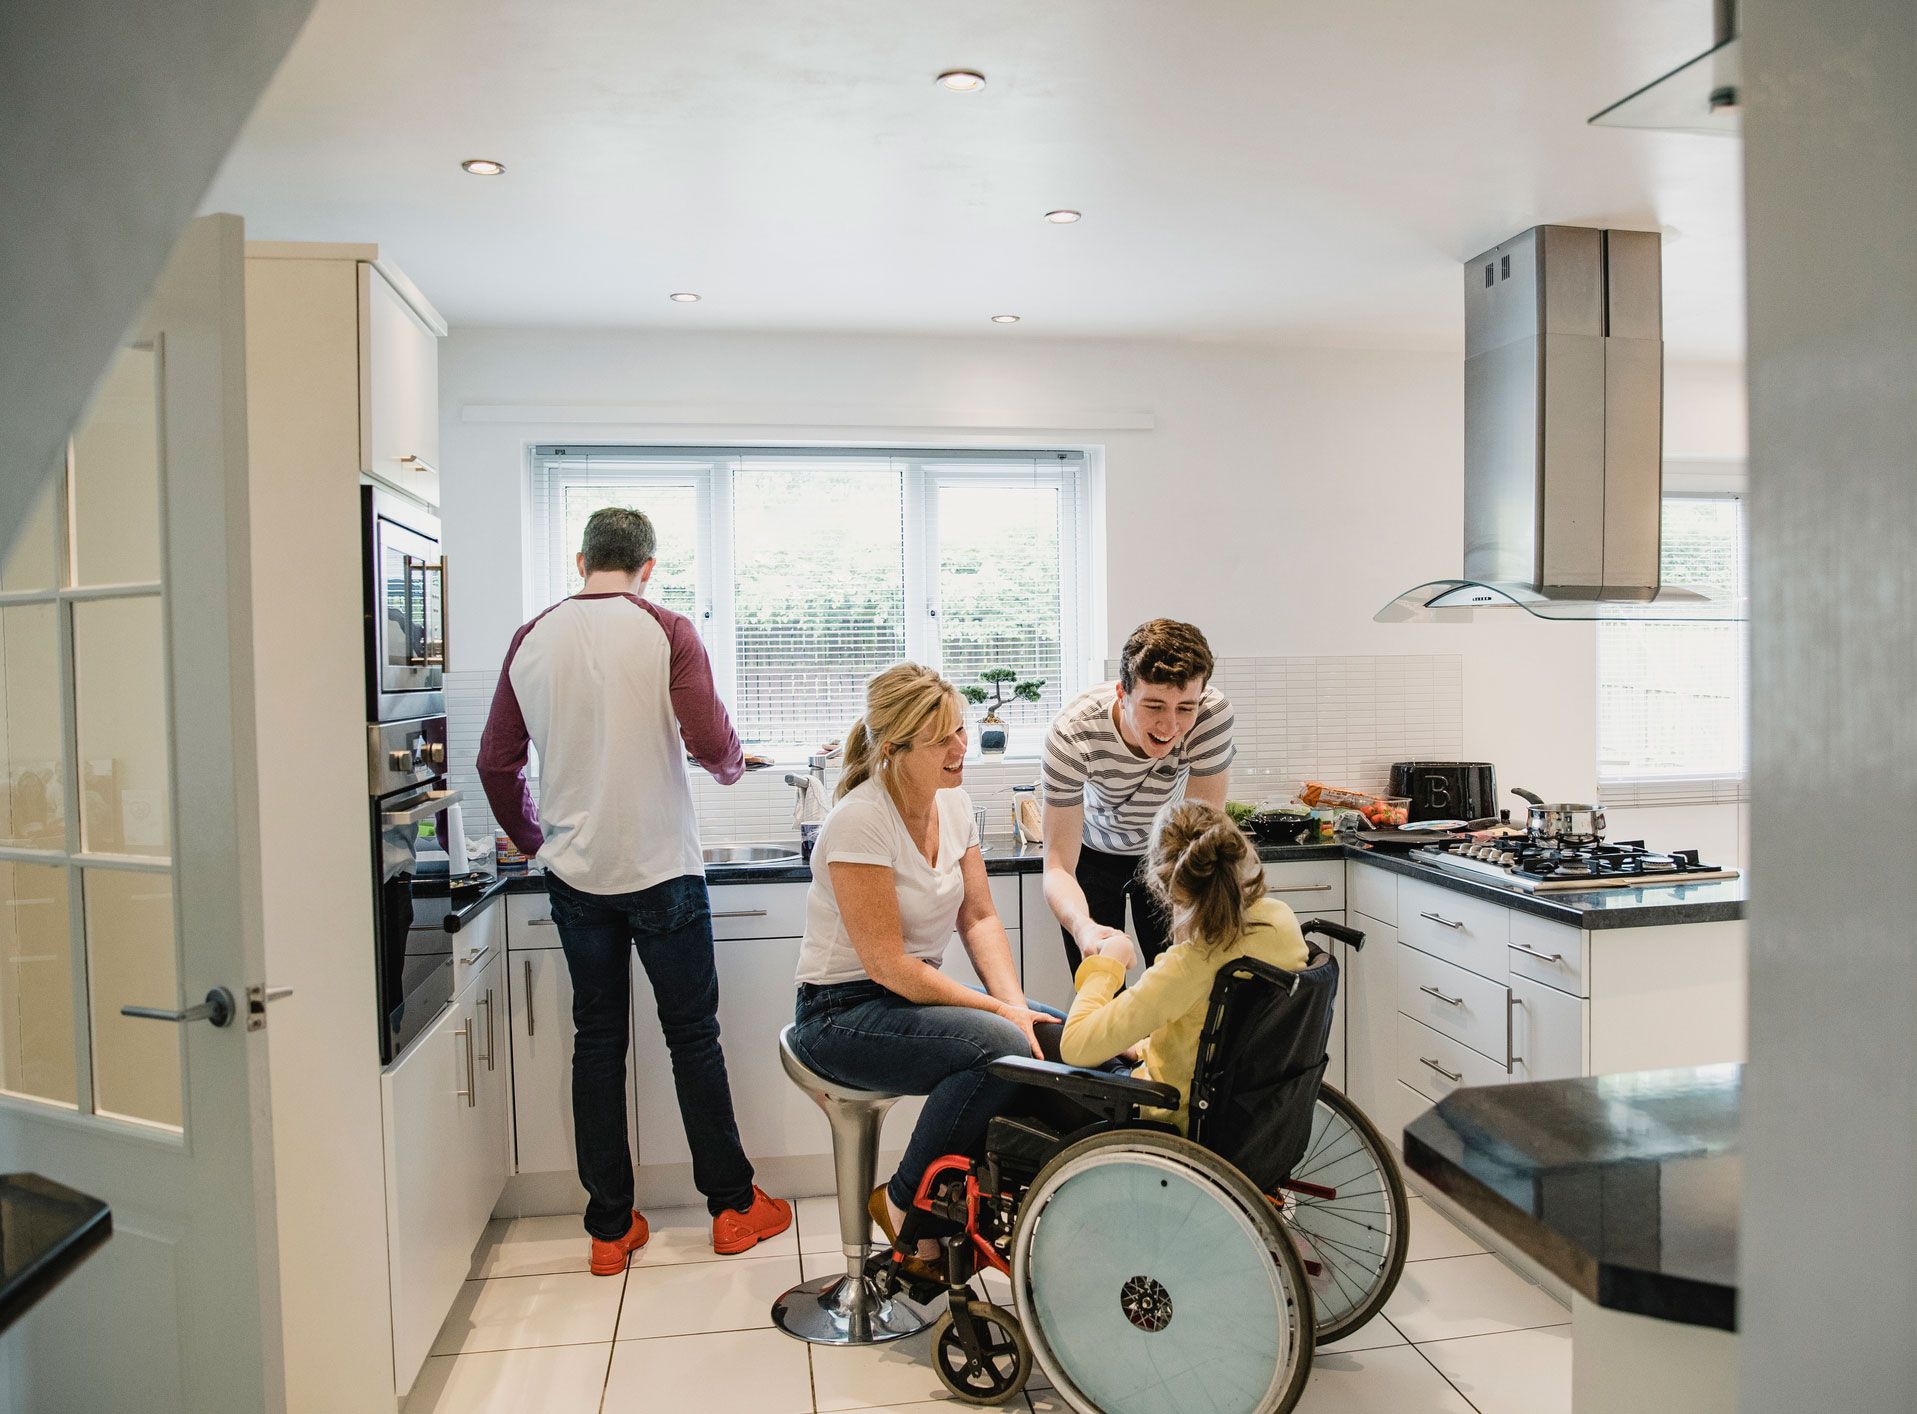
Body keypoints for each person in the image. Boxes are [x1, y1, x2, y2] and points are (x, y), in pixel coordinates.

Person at [478, 507, 791, 1274]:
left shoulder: (531, 638)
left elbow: (495, 762)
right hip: (661, 869)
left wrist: (531, 841)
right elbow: (711, 742)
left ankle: (610, 1229)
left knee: (597, 1043)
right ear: (647, 565)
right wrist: (729, 767)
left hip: (576, 877)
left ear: (581, 559)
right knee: (693, 1039)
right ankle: (731, 1209)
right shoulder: (666, 629)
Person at [788, 663, 1053, 1272]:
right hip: (840, 1013)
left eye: (960, 730)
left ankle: (969, 1206)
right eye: (942, 739)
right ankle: (906, 1205)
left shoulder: (954, 807)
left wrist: (1015, 1004)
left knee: (1050, 1035)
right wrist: (1002, 1015)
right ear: (894, 748)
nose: (961, 747)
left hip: (906, 1000)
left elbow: (981, 918)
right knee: (998, 1044)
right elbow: (887, 964)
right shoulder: (861, 819)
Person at [1059, 800, 1308, 1131]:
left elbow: (1075, 1045)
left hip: (1169, 1113)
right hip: (1249, 1111)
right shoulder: (1280, 919)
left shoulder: (1188, 965)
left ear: (1163, 885)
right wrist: (1145, 1047)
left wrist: (1108, 965)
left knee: (1037, 1037)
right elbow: (1212, 1028)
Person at [1040, 618, 1235, 974]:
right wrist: (1085, 930)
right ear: (1122, 694)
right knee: (1102, 985)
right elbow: (1057, 866)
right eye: (1154, 706)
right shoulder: (1073, 734)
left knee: (1176, 982)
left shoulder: (1211, 717)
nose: (1170, 726)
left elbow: (1197, 838)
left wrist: (1184, 950)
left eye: (1184, 708)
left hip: (1168, 852)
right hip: (1093, 853)